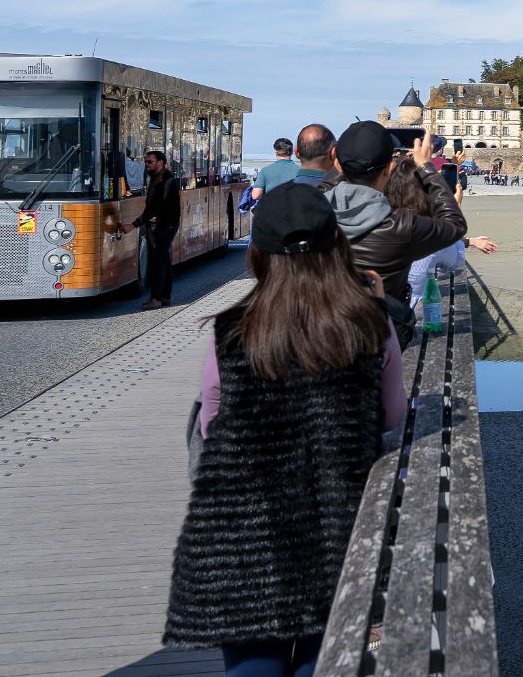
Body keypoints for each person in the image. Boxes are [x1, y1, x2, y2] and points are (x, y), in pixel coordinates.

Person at [164, 183, 406, 674]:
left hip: (246, 532)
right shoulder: (369, 324)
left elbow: (212, 420)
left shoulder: (233, 328)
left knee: (253, 662)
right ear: (337, 246)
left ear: (259, 253)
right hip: (338, 527)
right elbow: (393, 418)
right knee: (326, 656)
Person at [319, 121, 467, 346]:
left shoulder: (313, 211)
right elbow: (455, 225)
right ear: (389, 169)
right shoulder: (403, 225)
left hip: (322, 329)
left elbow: (323, 191)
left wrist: (350, 156)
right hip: (381, 335)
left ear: (337, 162)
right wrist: (425, 167)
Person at [386, 158, 496, 313]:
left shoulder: (380, 221)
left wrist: (470, 241)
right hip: (407, 314)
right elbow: (454, 261)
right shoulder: (427, 234)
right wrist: (454, 207)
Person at [133, 151, 182, 310]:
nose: (146, 164)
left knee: (159, 261)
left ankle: (156, 299)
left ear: (160, 163)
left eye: (150, 162)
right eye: (146, 162)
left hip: (165, 225)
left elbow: (156, 206)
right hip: (160, 224)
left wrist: (135, 224)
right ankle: (165, 297)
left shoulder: (167, 181)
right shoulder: (156, 178)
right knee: (165, 261)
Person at [250, 138, 298, 205]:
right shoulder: (301, 171)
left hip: (271, 212)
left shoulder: (265, 171)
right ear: (292, 152)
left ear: (276, 152)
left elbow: (256, 195)